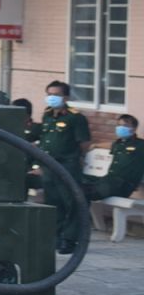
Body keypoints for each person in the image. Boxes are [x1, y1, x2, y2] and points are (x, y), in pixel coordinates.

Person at [37, 80, 91, 254]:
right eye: (49, 94)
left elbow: (84, 143)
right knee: (53, 202)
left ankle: (69, 239)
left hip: (67, 165)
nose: (52, 98)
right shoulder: (47, 115)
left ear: (66, 97)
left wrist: (74, 158)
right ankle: (56, 236)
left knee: (72, 202)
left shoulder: (75, 117)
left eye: (57, 95)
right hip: (49, 165)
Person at [83, 115, 144, 201]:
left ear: (134, 128)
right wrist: (96, 145)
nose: (120, 128)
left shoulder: (140, 145)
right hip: (109, 180)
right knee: (79, 180)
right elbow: (112, 145)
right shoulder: (119, 144)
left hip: (123, 185)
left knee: (87, 193)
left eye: (125, 126)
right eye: (119, 125)